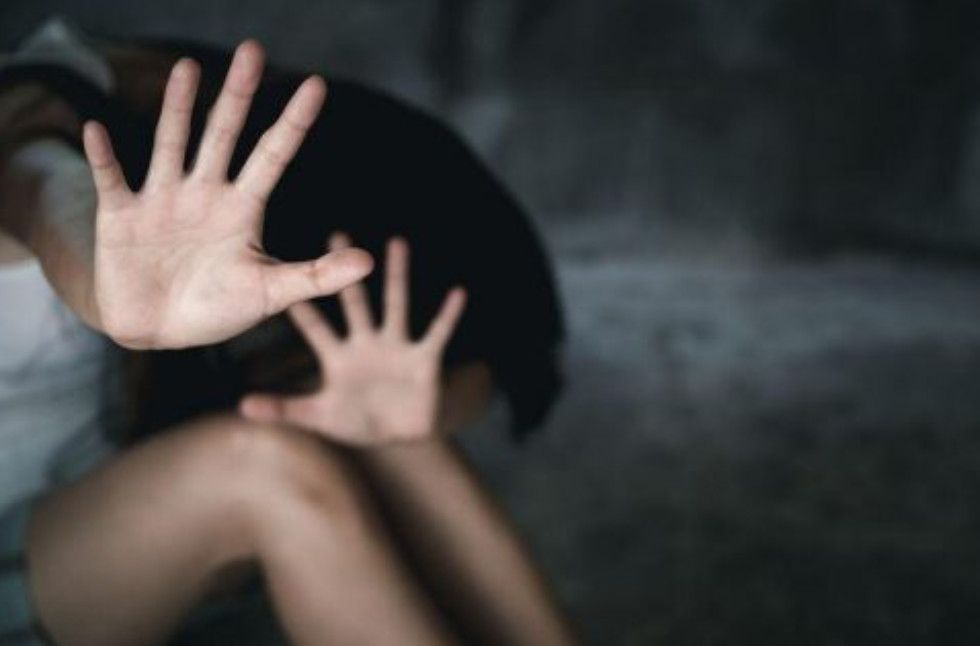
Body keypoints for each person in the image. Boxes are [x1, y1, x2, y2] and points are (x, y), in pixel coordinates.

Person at [0, 21, 573, 646]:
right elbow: (39, 185)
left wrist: (397, 427)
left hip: (94, 509)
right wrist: (104, 286)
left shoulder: (213, 159)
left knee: (379, 432)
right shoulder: (46, 113)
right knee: (262, 469)